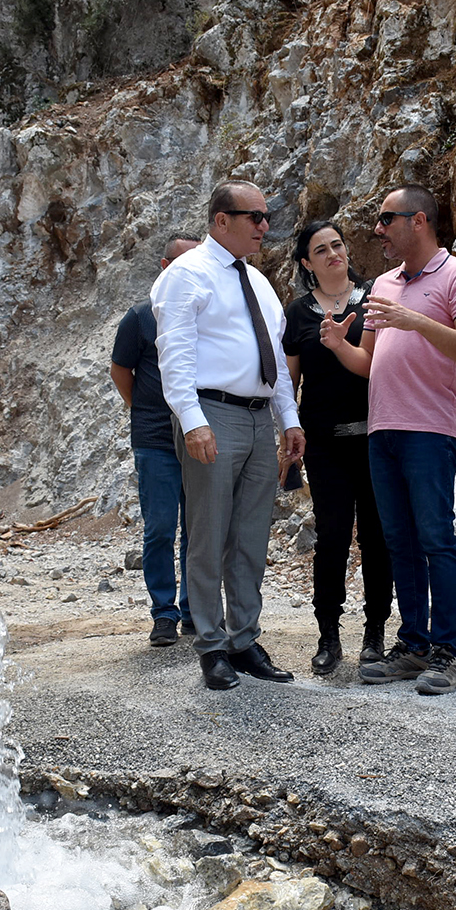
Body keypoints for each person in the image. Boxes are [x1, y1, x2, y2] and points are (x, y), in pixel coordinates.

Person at [323, 184, 456, 696]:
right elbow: (369, 362)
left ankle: (447, 652)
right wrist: (335, 346)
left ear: (419, 221)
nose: (378, 229)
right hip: (384, 429)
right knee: (399, 542)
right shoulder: (383, 284)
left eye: (386, 219)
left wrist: (416, 320)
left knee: (436, 539)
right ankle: (414, 645)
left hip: (432, 429)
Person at [150, 180, 305, 690]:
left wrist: (290, 420)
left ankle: (244, 639)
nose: (265, 225)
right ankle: (212, 645)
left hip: (260, 418)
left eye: (267, 216)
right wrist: (192, 421)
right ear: (221, 220)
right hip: (213, 412)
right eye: (254, 216)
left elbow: (276, 362)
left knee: (251, 536)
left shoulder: (258, 282)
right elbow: (175, 354)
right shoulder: (187, 275)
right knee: (209, 533)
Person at [283, 220, 393, 675]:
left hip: (375, 435)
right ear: (307, 263)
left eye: (338, 244)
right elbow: (289, 383)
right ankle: (328, 634)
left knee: (377, 537)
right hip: (323, 442)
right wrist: (288, 433)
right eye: (321, 249)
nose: (333, 253)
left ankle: (375, 634)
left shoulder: (376, 299)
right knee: (330, 538)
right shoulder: (297, 314)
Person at [110, 233, 200, 647]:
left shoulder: (207, 314)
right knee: (161, 529)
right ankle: (164, 613)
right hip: (156, 442)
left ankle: (193, 608)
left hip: (200, 436)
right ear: (165, 268)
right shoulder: (140, 317)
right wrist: (144, 411)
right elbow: (120, 372)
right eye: (180, 263)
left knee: (198, 530)